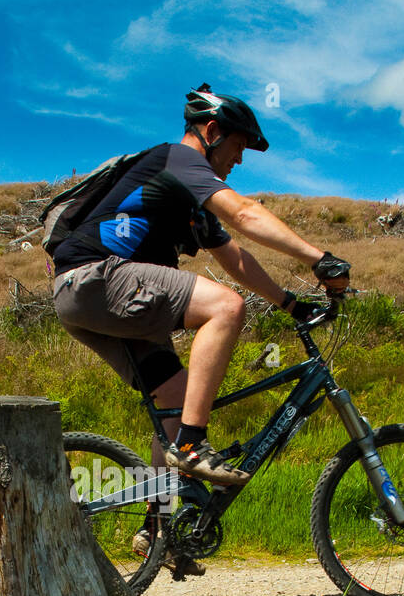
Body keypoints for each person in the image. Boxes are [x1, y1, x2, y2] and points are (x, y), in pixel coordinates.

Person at [51, 84, 351, 554]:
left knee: (174, 401)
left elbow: (236, 258)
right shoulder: (177, 159)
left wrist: (290, 303)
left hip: (82, 299)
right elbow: (246, 214)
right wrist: (320, 259)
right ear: (210, 132)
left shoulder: (187, 198)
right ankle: (192, 446)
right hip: (97, 278)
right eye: (237, 147)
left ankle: (158, 530)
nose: (240, 160)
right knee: (226, 307)